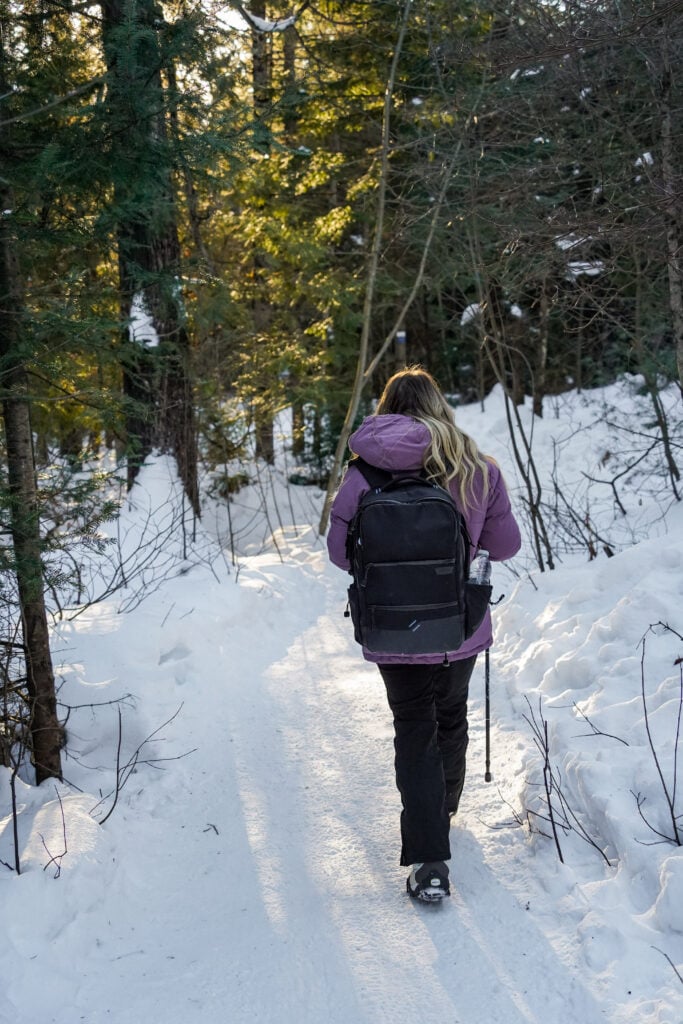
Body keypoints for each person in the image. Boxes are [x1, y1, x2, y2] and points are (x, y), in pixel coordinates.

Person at [326, 366, 521, 901]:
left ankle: (429, 860)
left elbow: (339, 553)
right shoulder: (476, 468)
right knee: (450, 714)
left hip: (392, 626)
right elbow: (504, 547)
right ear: (441, 407)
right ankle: (446, 807)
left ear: (387, 409)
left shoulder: (362, 474)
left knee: (414, 725)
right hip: (458, 624)